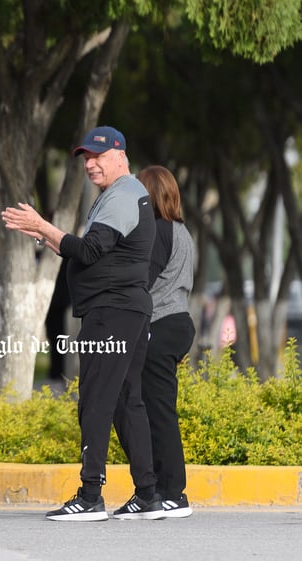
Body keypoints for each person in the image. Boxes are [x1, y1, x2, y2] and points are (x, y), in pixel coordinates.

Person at [2, 126, 164, 521]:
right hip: (124, 311)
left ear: (120, 156)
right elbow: (85, 252)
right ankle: (147, 495)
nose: (90, 164)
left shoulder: (123, 194)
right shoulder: (118, 196)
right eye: (86, 158)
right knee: (127, 402)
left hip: (112, 314)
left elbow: (89, 250)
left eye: (98, 156)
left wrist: (43, 226)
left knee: (95, 400)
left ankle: (90, 496)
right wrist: (44, 235)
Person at [135, 165, 196, 518]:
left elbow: (142, 280)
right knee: (155, 408)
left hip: (161, 323)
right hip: (177, 322)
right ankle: (160, 489)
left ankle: (173, 493)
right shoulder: (181, 231)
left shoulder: (158, 230)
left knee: (159, 412)